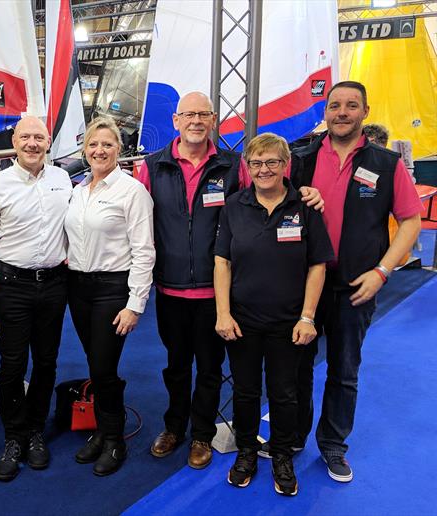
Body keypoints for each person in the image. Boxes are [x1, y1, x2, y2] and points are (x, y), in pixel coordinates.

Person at [137, 92, 323, 470]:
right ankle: (174, 427)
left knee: (209, 368)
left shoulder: (233, 164)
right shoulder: (152, 166)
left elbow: (264, 193)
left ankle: (202, 434)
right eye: (188, 114)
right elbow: (136, 220)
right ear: (175, 121)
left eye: (203, 114)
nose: (195, 121)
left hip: (216, 291)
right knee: (175, 365)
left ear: (214, 119)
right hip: (169, 286)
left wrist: (306, 190)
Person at [290, 81, 422, 483]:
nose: (342, 112)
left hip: (357, 287)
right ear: (325, 112)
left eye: (351, 105)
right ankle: (293, 435)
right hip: (303, 286)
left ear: (365, 110)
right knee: (295, 368)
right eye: (334, 105)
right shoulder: (301, 159)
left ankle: (332, 444)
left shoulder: (385, 164)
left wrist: (383, 271)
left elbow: (411, 221)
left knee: (344, 370)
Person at [213, 133, 333, 496]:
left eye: (272, 162)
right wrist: (223, 313)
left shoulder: (306, 207)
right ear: (248, 169)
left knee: (284, 394)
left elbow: (317, 265)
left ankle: (281, 454)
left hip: (289, 323)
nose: (264, 169)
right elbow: (222, 261)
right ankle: (247, 451)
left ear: (286, 165)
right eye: (257, 163)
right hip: (243, 321)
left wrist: (308, 317)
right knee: (247, 392)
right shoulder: (234, 205)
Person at [0, 116, 72, 481]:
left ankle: (35, 431)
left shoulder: (62, 180)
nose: (32, 143)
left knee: (46, 362)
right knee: (13, 364)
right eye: (26, 137)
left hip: (54, 284)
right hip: (11, 284)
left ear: (48, 142)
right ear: (14, 141)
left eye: (39, 137)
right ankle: (13, 437)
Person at [65, 116, 155, 476]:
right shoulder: (78, 188)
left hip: (112, 289)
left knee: (103, 367)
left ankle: (114, 439)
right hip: (79, 288)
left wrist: (135, 304)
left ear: (119, 149)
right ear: (85, 150)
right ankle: (102, 432)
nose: (99, 150)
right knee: (96, 364)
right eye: (93, 144)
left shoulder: (132, 191)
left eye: (107, 144)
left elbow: (144, 251)